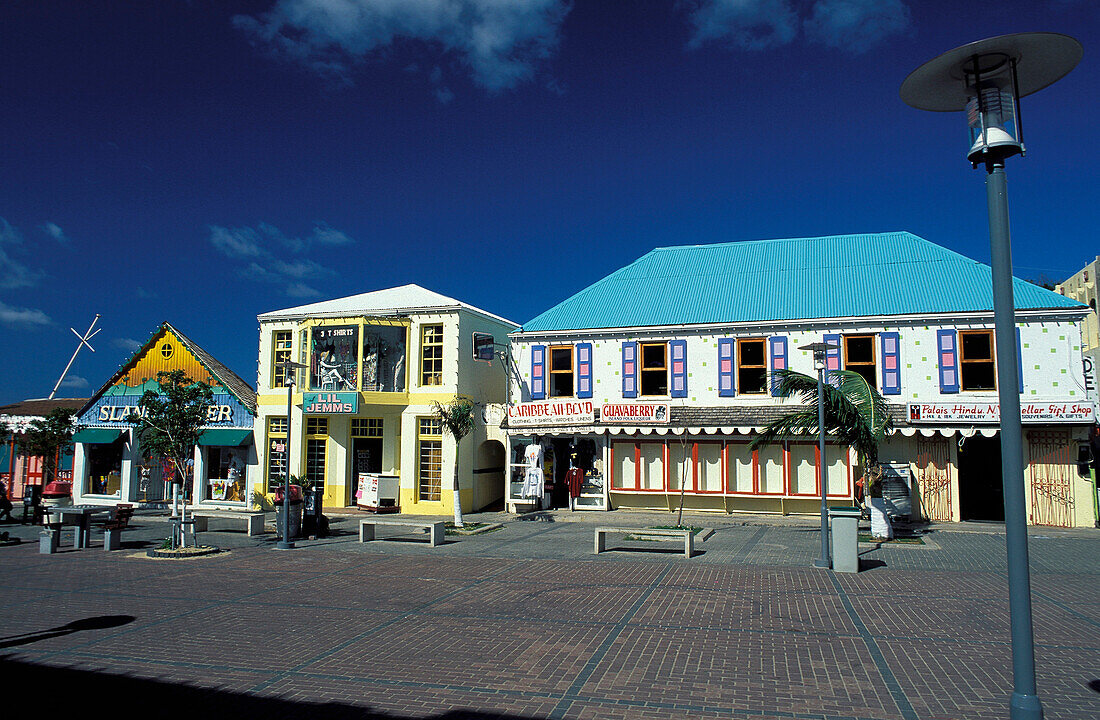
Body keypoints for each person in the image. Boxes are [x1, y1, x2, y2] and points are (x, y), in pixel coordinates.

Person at [866, 464, 893, 541]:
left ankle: (882, 533)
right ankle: (880, 533)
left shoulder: (876, 482)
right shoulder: (873, 482)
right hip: (875, 497)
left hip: (877, 497)